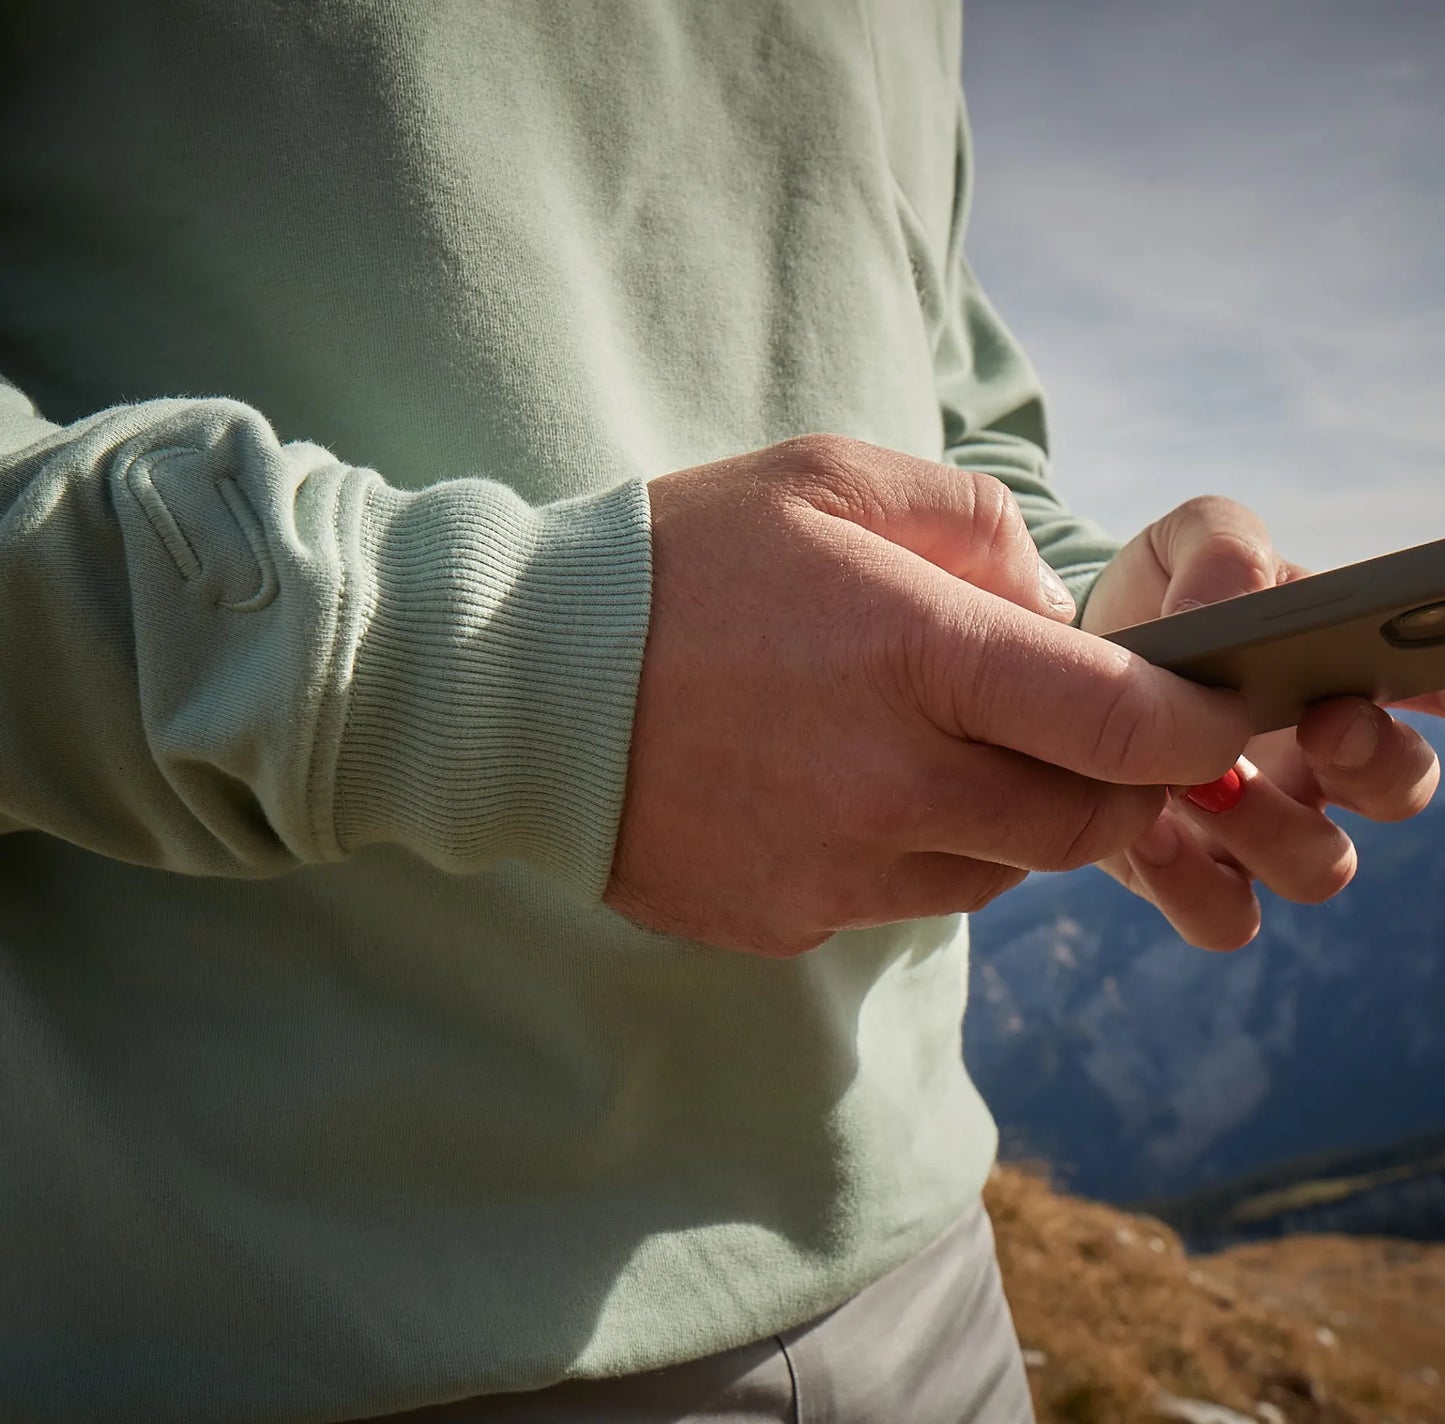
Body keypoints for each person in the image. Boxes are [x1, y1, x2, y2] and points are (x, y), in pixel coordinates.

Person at [1, 4, 1437, 1422]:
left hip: (926, 1270)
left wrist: (1099, 643)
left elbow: (958, 431)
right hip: (292, 1320)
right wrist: (513, 672)